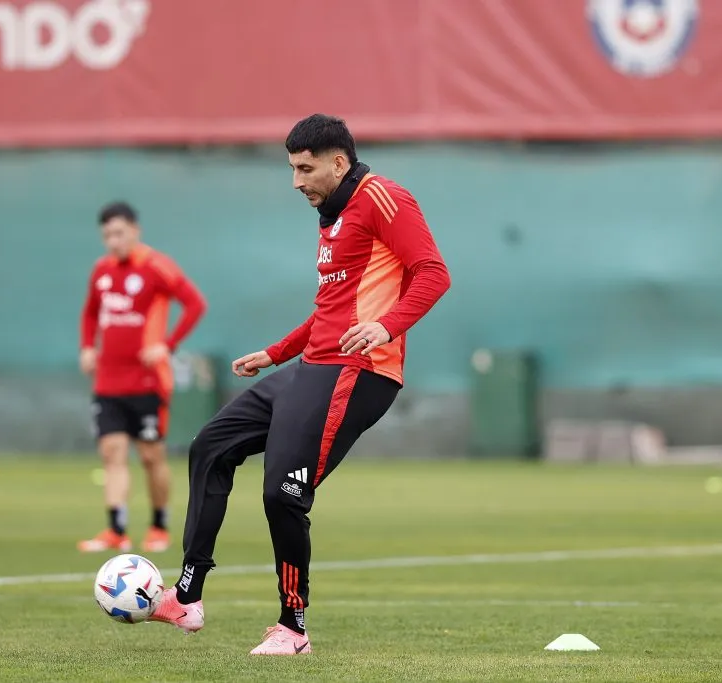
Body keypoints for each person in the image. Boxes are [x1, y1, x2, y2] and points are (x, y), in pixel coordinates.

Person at [149, 114, 451, 654]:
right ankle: (187, 597)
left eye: (305, 169)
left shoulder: (384, 197)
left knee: (282, 493)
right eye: (292, 169)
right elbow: (331, 310)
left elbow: (433, 273)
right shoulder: (330, 214)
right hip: (312, 367)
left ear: (339, 162)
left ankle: (293, 628)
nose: (297, 182)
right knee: (210, 446)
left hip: (359, 373)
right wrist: (275, 353)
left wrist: (385, 327)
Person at [77, 201, 207, 554]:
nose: (113, 241)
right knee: (112, 453)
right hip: (108, 381)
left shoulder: (157, 267)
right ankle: (116, 529)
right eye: (107, 235)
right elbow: (90, 314)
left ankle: (159, 525)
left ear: (135, 230)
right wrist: (88, 346)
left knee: (151, 456)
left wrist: (167, 345)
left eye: (119, 233)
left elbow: (195, 304)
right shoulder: (101, 271)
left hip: (148, 381)